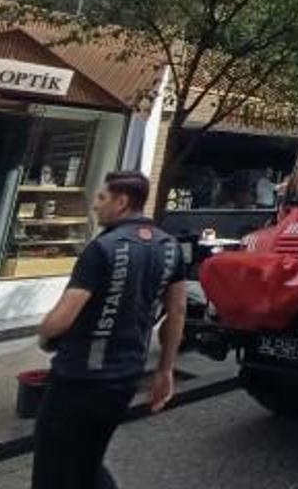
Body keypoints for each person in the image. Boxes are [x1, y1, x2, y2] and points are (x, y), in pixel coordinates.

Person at [33, 171, 187, 489]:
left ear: (122, 202)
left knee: (53, 466)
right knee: (87, 461)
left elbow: (63, 318)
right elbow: (178, 312)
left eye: (101, 198)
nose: (95, 205)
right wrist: (165, 369)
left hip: (78, 378)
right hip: (125, 376)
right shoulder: (170, 247)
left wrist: (45, 330)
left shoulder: (102, 248)